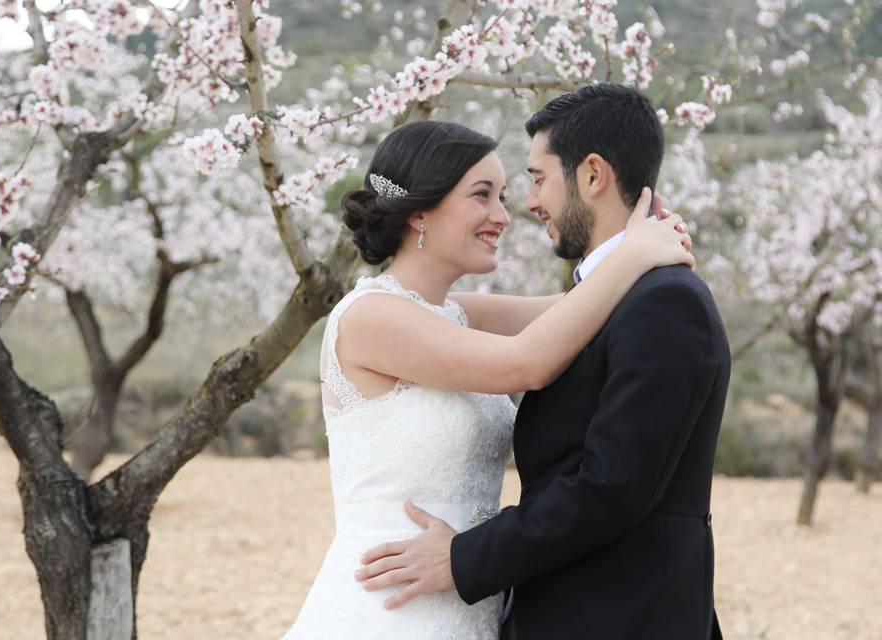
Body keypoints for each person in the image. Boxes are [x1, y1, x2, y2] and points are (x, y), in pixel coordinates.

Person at [282, 115, 694, 639]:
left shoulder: (456, 314)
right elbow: (525, 363)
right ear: (421, 212)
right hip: (393, 604)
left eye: (504, 195)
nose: (503, 215)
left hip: (467, 597)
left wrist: (648, 252)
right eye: (483, 195)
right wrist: (635, 253)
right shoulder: (370, 318)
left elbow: (589, 307)